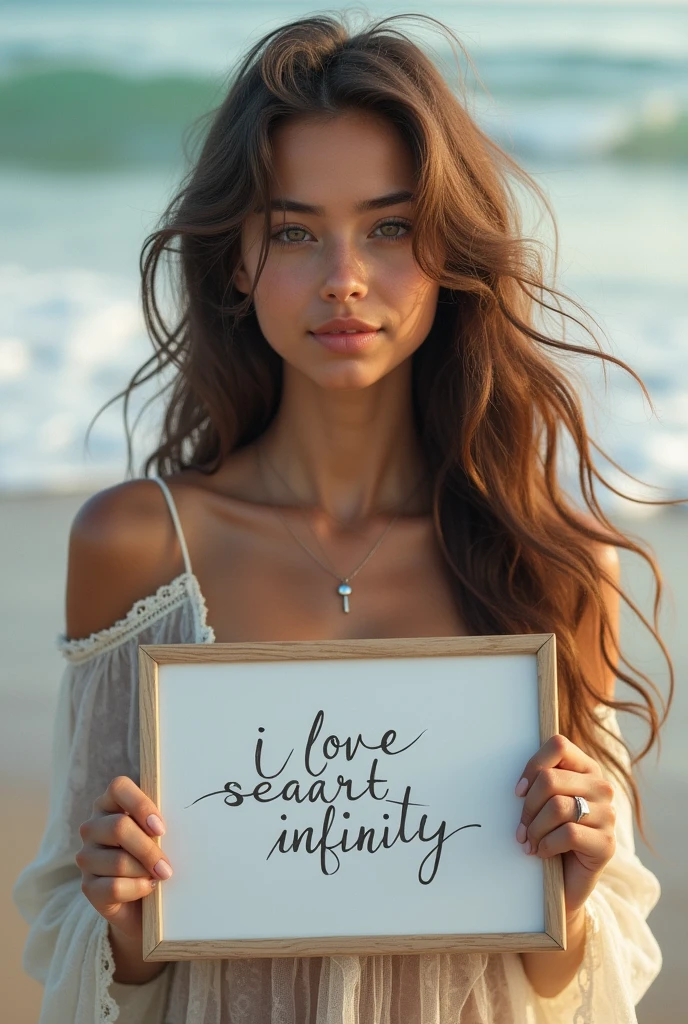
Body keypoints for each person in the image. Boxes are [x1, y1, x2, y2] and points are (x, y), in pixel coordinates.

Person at [13, 12, 674, 1024]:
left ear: (446, 249)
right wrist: (124, 921)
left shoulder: (553, 561)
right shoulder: (139, 546)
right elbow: (72, 933)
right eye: (293, 231)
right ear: (237, 259)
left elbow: (589, 974)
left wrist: (573, 893)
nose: (343, 278)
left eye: (388, 226)